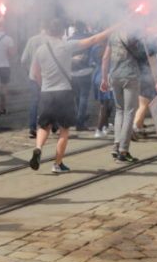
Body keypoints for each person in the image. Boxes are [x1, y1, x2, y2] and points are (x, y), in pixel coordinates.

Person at [29, 18, 119, 173]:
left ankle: (38, 148)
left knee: (44, 125)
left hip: (46, 92)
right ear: (62, 31)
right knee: (64, 129)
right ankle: (57, 164)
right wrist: (115, 26)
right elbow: (94, 39)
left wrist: (42, 85)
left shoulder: (40, 50)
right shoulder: (66, 45)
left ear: (48, 31)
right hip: (64, 91)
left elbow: (35, 73)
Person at [100, 26, 156, 163]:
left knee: (120, 110)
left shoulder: (114, 34)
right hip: (131, 76)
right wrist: (156, 78)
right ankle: (123, 151)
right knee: (129, 112)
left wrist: (103, 78)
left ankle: (116, 145)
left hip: (114, 75)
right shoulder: (137, 35)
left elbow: (105, 57)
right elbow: (149, 58)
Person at [131, 33, 157, 139]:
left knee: (138, 104)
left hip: (131, 74)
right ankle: (133, 128)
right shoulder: (148, 41)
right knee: (143, 104)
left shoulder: (131, 39)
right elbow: (153, 62)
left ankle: (138, 128)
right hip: (145, 75)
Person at [20, 23, 48, 139]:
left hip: (33, 75)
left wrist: (29, 71)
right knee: (49, 101)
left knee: (34, 102)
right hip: (47, 76)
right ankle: (50, 124)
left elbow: (23, 59)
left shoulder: (32, 40)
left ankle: (32, 127)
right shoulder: (51, 40)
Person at [68, 21, 95, 131]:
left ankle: (79, 117)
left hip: (73, 71)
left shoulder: (69, 40)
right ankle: (80, 121)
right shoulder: (88, 37)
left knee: (77, 96)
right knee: (83, 97)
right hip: (85, 70)